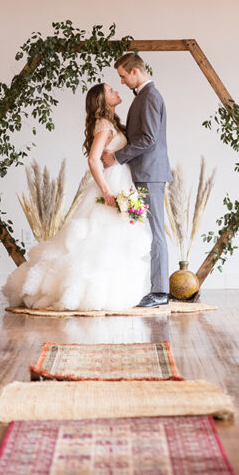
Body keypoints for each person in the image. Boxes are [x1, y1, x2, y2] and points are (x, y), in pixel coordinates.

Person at [3, 82, 150, 312]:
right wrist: (107, 191)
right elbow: (93, 159)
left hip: (123, 180)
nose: (116, 91)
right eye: (111, 90)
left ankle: (117, 290)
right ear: (102, 100)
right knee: (101, 237)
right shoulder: (103, 124)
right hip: (111, 183)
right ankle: (81, 290)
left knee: (118, 237)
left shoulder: (111, 122)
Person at [102, 52, 172, 308]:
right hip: (144, 173)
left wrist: (118, 157)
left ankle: (161, 292)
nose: (121, 82)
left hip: (151, 174)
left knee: (155, 234)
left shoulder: (150, 96)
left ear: (134, 71)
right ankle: (153, 288)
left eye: (122, 75)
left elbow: (149, 139)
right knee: (148, 232)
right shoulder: (144, 97)